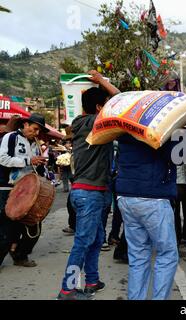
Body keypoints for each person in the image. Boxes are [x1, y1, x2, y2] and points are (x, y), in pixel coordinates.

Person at [115, 103, 186, 300]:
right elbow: (179, 154)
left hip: (126, 197)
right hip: (153, 197)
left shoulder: (124, 129)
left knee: (138, 256)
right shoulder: (155, 130)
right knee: (167, 254)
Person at [57, 70, 120, 300]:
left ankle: (91, 280)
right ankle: (68, 289)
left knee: (94, 239)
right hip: (89, 193)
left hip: (95, 191)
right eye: (103, 106)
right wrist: (103, 81)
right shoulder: (93, 123)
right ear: (98, 108)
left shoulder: (85, 123)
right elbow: (120, 101)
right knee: (83, 242)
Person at [0, 114, 48, 267]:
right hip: (8, 187)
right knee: (7, 228)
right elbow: (2, 159)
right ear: (25, 124)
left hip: (27, 190)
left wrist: (40, 166)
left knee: (34, 225)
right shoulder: (11, 137)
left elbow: (34, 166)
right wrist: (28, 160)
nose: (36, 133)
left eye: (38, 131)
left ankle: (20, 255)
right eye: (34, 129)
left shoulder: (35, 143)